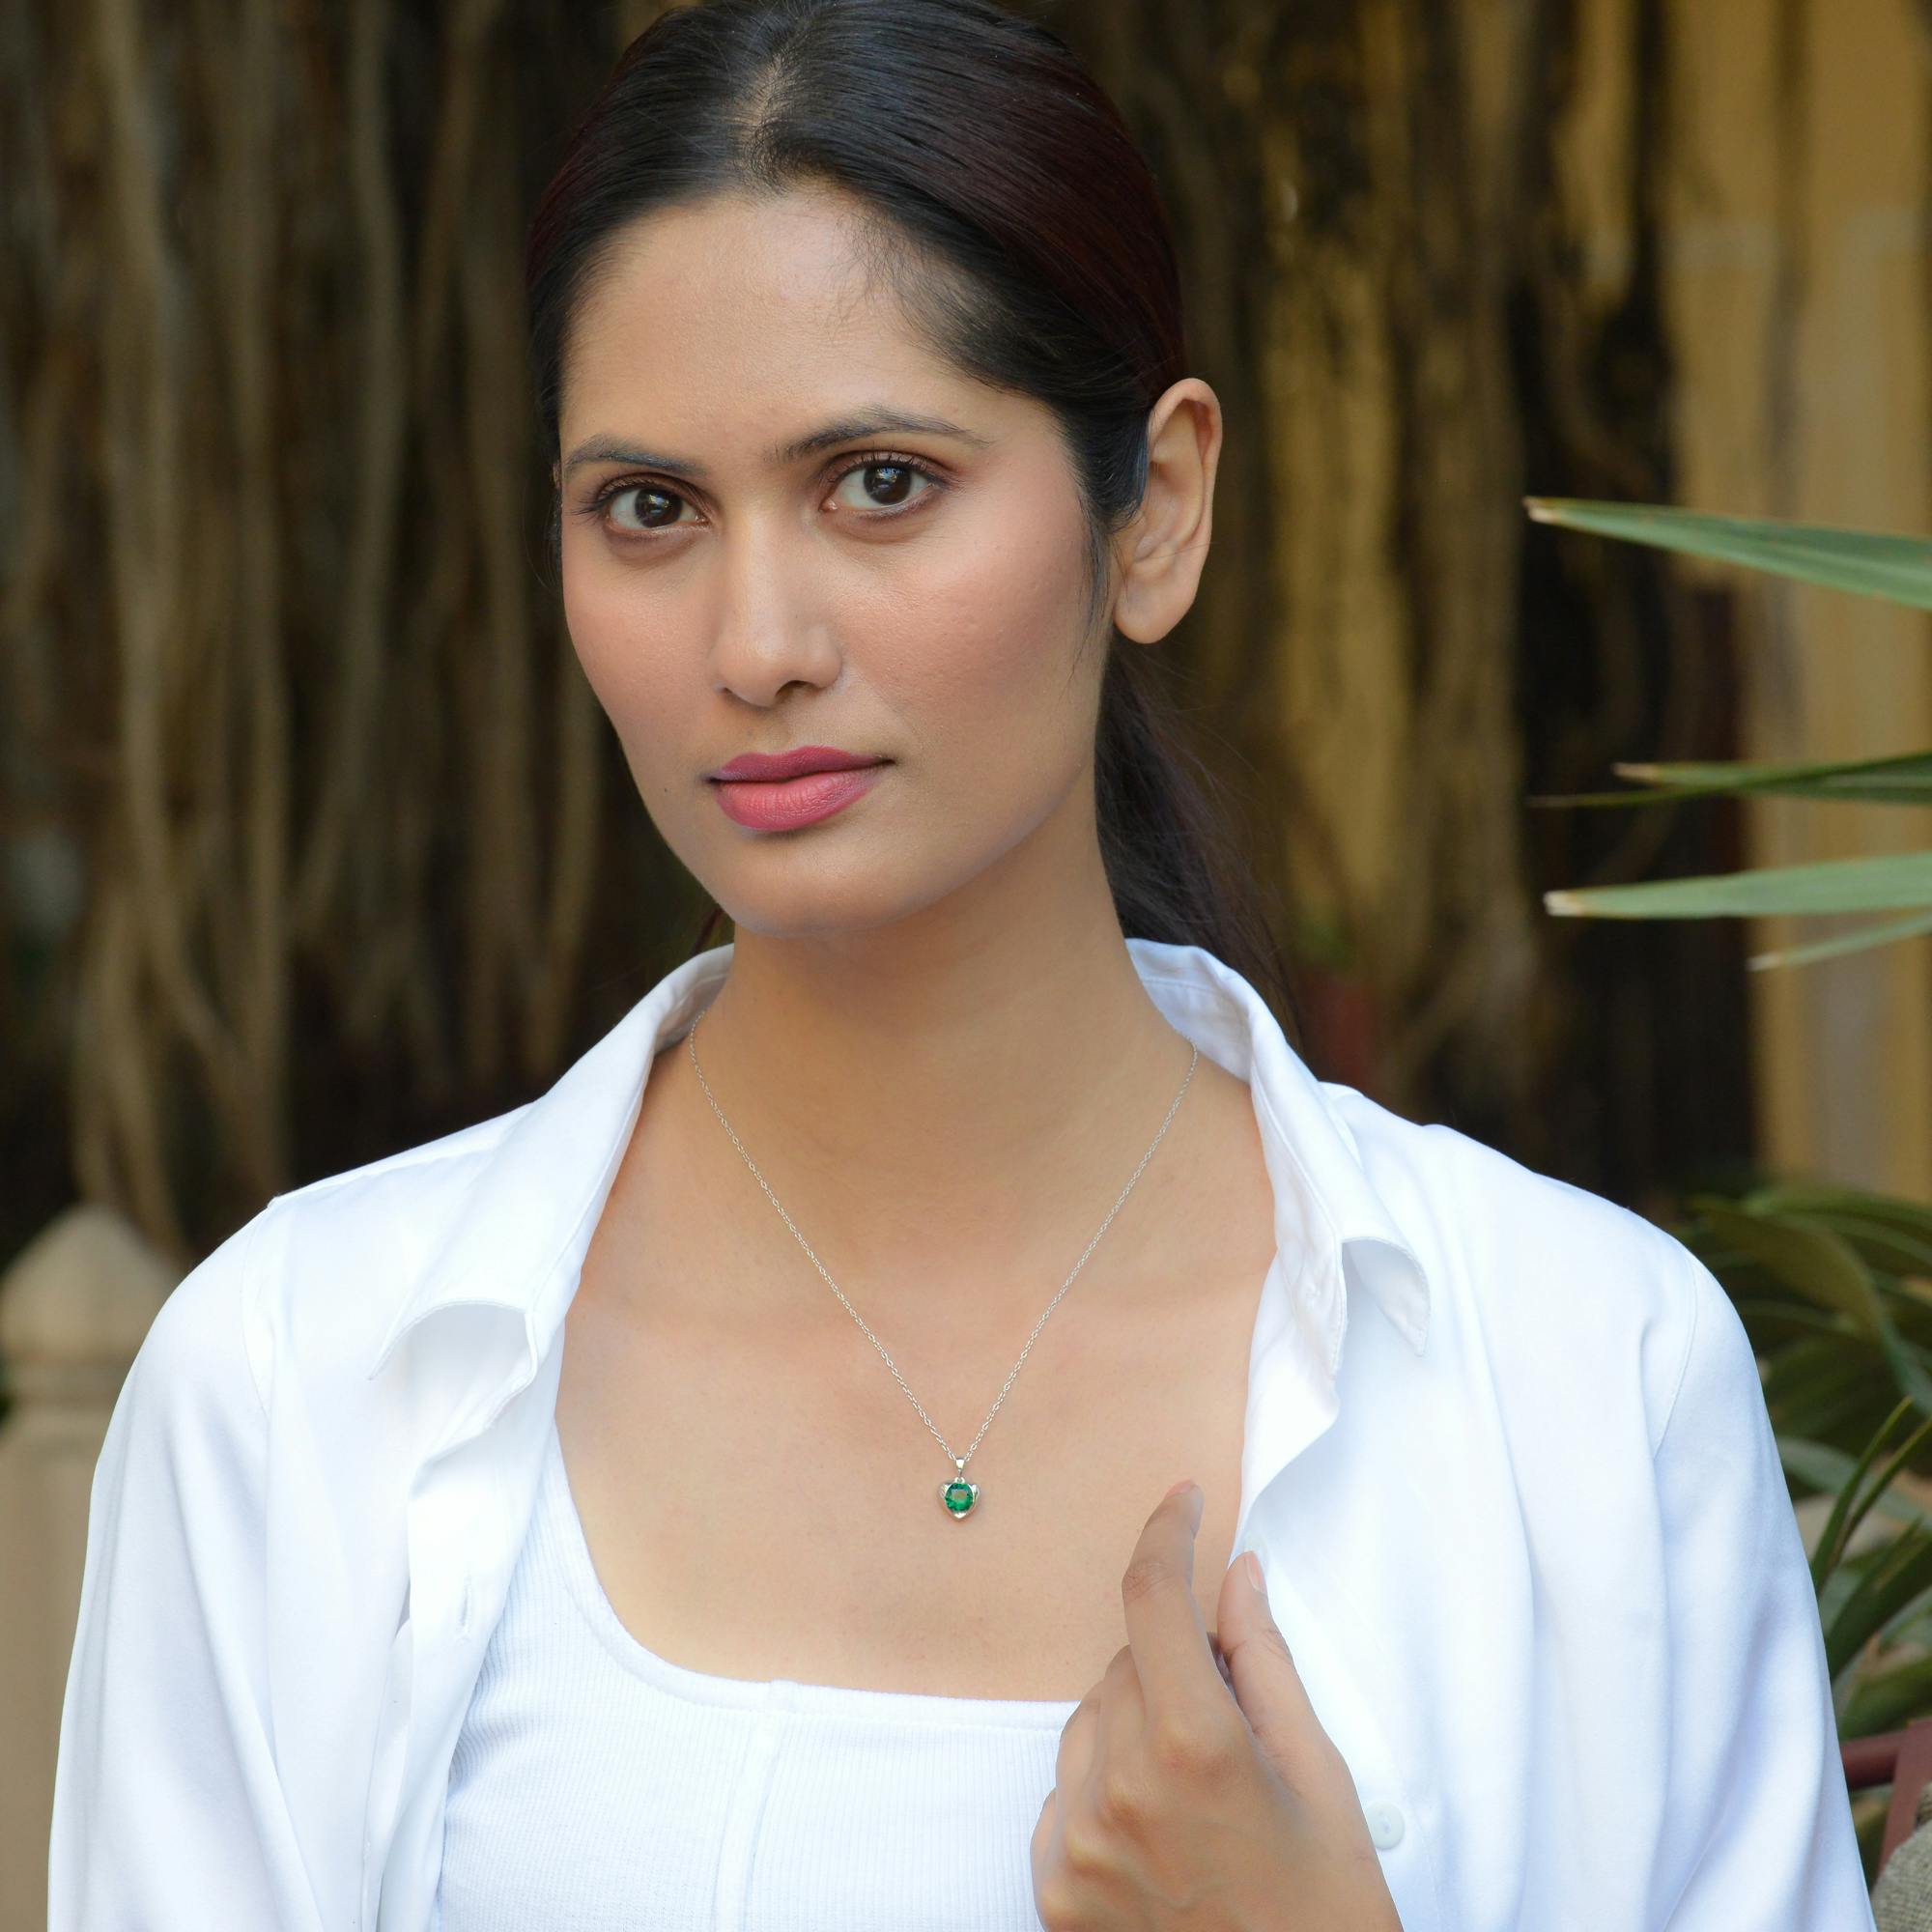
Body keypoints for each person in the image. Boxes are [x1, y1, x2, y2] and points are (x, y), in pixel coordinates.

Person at [48, 1, 1875, 1926]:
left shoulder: (1578, 1380)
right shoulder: (292, 1385)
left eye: (880, 483)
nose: (756, 639)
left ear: (1152, 510)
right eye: (648, 509)